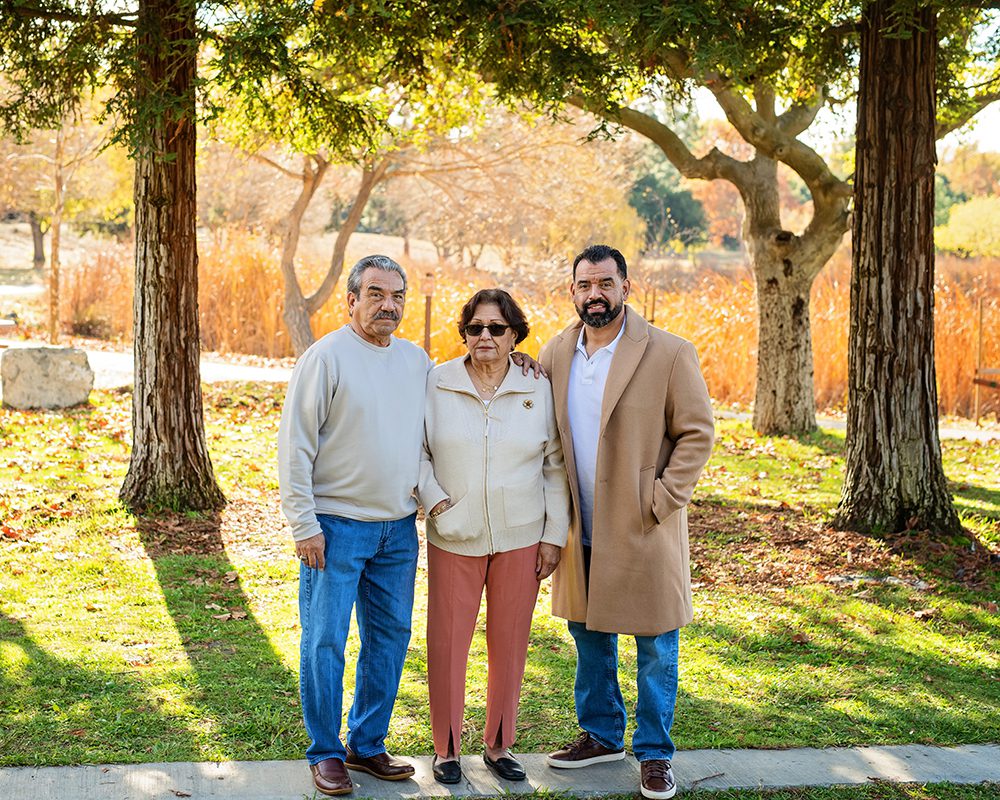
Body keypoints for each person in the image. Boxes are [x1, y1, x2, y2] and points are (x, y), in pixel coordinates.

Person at [278, 256, 543, 797]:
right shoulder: (324, 358)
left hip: (397, 529)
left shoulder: (416, 361)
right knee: (325, 640)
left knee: (390, 638)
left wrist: (521, 359)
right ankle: (326, 751)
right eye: (375, 294)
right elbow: (295, 447)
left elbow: (458, 393)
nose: (388, 305)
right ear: (351, 299)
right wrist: (304, 523)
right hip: (336, 525)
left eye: (396, 295)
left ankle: (367, 744)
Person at [539, 245, 715, 800]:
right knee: (588, 634)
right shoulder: (554, 354)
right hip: (580, 524)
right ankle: (600, 734)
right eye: (585, 285)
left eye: (606, 284)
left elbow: (697, 432)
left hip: (643, 524)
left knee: (656, 640)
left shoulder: (668, 352)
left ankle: (655, 752)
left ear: (626, 287)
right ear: (572, 292)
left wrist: (662, 498)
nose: (596, 294)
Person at [417, 289, 570, 786]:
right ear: (463, 333)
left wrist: (552, 534)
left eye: (497, 328)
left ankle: (499, 745)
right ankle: (447, 750)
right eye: (476, 327)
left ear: (515, 336)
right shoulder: (436, 382)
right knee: (447, 644)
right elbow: (415, 449)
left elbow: (554, 464)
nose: (485, 336)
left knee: (509, 645)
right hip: (453, 533)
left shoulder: (536, 385)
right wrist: (434, 497)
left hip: (521, 537)